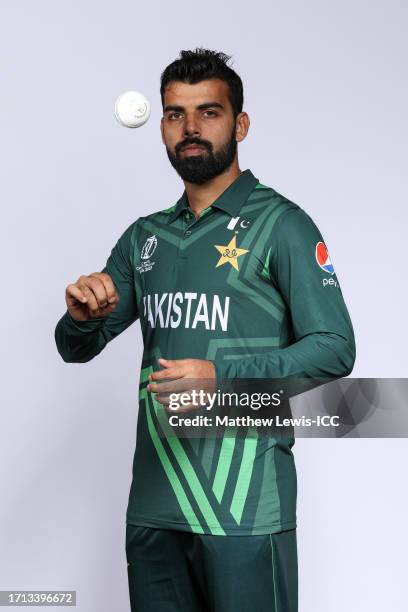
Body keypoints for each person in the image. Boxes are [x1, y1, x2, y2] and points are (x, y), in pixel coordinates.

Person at [55, 47, 356, 612]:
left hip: (244, 509)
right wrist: (80, 318)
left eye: (208, 112)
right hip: (153, 506)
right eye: (175, 114)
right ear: (162, 126)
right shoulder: (145, 238)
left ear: (240, 123)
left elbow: (336, 348)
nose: (189, 128)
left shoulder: (281, 224)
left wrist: (223, 377)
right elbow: (76, 348)